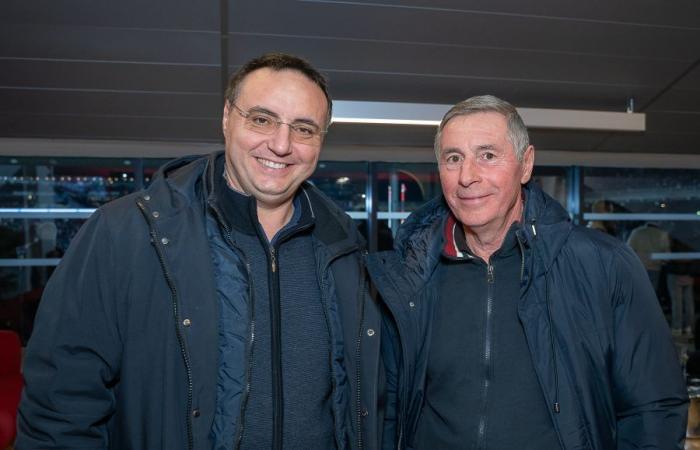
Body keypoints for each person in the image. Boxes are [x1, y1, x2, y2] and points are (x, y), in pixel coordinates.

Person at [17, 53, 386, 450]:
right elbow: (61, 404)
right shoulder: (125, 233)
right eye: (261, 119)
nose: (281, 145)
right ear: (227, 117)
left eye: (304, 129)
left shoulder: (344, 248)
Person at [367, 95, 688, 449]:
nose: (468, 176)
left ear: (525, 164)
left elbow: (653, 409)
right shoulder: (410, 276)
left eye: (487, 155)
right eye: (453, 158)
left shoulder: (603, 264)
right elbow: (389, 408)